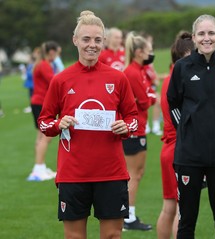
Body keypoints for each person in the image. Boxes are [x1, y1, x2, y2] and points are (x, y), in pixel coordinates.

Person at [37, 10, 139, 238]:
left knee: (113, 235)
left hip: (111, 172)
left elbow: (134, 117)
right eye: (86, 39)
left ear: (103, 41)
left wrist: (126, 127)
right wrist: (58, 124)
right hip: (73, 173)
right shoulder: (61, 80)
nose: (92, 45)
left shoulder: (117, 78)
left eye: (97, 40)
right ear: (75, 41)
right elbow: (43, 122)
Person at [167, 14, 215, 239]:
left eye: (211, 33)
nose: (206, 38)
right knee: (186, 224)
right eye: (201, 33)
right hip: (189, 156)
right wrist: (186, 128)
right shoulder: (182, 67)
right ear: (194, 38)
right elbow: (173, 101)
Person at [157, 30, 195, 239]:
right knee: (183, 211)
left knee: (169, 208)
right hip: (180, 150)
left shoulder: (171, 77)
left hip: (170, 149)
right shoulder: (180, 81)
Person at [122, 31, 156, 231]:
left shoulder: (137, 70)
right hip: (135, 128)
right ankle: (128, 217)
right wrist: (149, 98)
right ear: (140, 52)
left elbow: (146, 96)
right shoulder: (133, 72)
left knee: (136, 173)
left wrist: (147, 97)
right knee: (134, 174)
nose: (150, 54)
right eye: (148, 51)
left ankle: (127, 215)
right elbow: (145, 101)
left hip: (138, 127)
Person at [27, 41, 59, 181]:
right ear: (51, 52)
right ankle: (38, 168)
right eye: (58, 53)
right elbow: (54, 82)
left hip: (37, 102)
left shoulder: (41, 64)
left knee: (40, 137)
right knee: (46, 137)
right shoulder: (44, 65)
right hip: (41, 103)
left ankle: (39, 166)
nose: (57, 56)